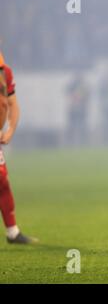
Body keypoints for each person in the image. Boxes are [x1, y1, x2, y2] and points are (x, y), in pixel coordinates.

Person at [0, 53, 38, 244]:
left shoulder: (5, 72)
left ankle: (12, 232)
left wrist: (10, 130)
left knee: (2, 181)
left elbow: (12, 104)